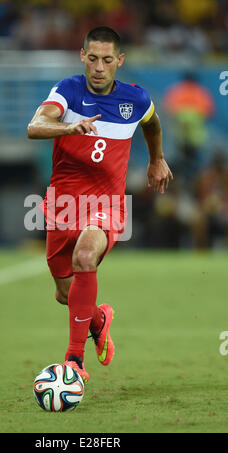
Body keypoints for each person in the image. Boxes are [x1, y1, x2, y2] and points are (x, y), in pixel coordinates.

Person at [27, 26, 173, 384]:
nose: (99, 67)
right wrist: (68, 128)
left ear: (119, 61)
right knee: (65, 294)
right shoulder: (67, 91)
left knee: (86, 257)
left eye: (107, 60)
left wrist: (157, 159)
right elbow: (35, 125)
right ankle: (97, 320)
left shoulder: (135, 99)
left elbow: (152, 124)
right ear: (82, 56)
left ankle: (73, 361)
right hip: (62, 205)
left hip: (106, 202)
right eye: (92, 58)